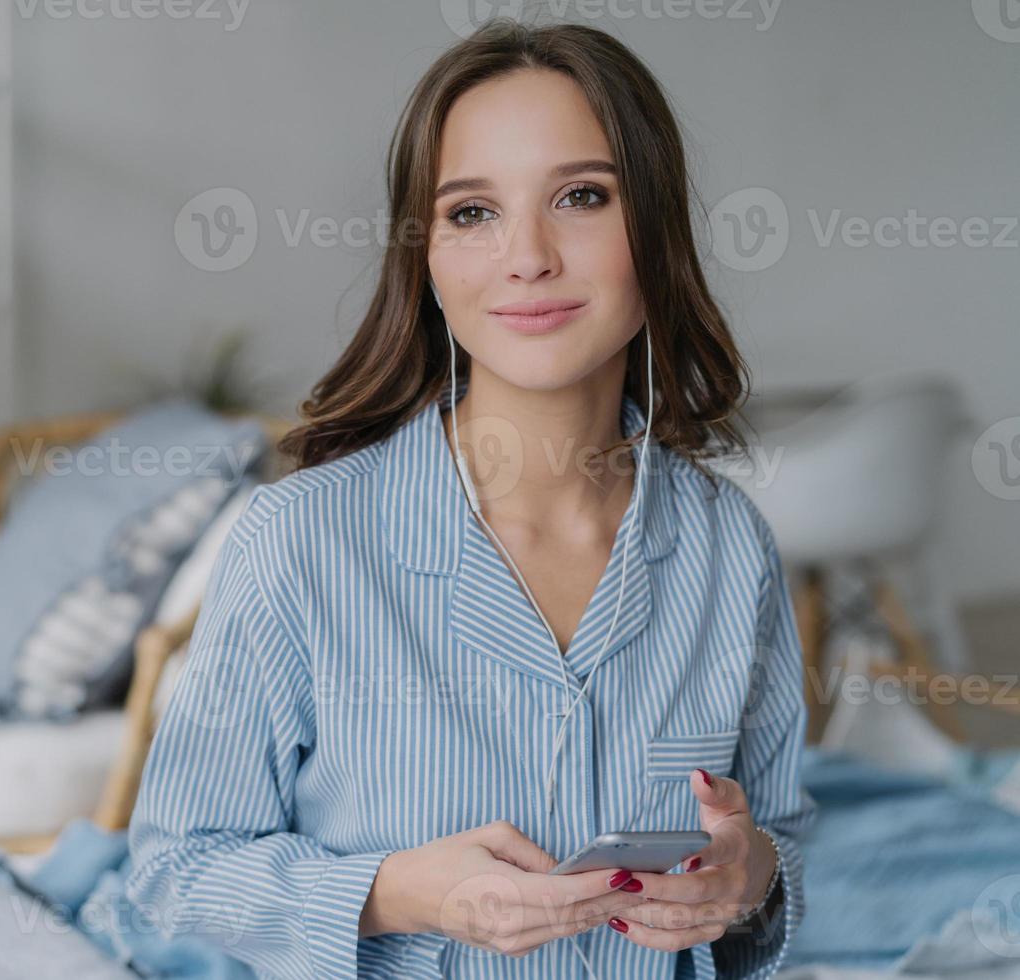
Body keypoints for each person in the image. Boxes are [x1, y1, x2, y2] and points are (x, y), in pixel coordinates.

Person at [125, 17, 816, 980]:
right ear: (427, 259)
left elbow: (776, 835)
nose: (526, 256)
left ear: (654, 230)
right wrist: (401, 893)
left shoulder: (730, 545)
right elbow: (173, 873)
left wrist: (750, 878)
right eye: (472, 212)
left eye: (581, 196)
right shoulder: (301, 539)